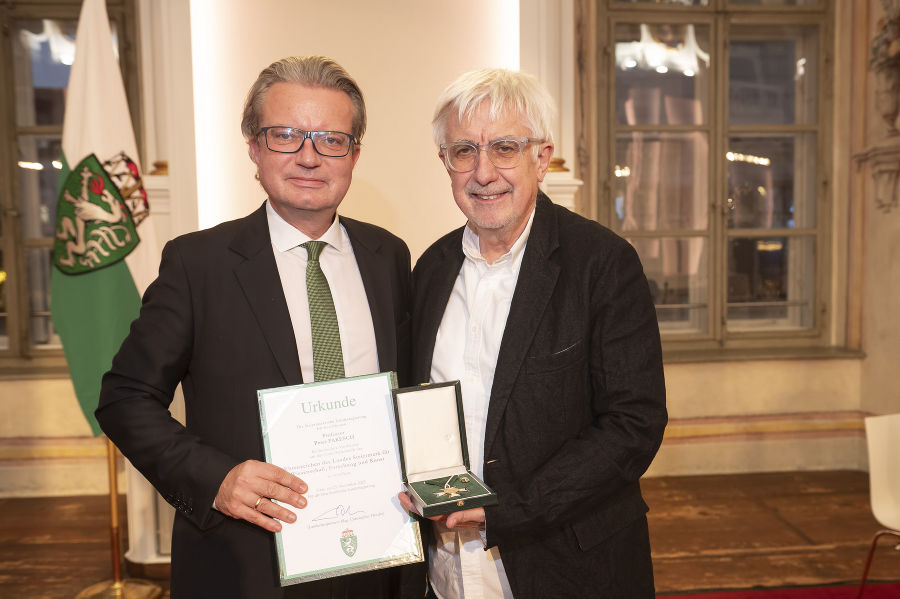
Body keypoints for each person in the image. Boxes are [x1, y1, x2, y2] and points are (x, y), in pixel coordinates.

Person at [97, 56, 412, 598]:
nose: (309, 156)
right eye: (285, 135)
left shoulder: (388, 255)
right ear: (254, 147)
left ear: (354, 154)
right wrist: (215, 479)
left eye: (331, 139)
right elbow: (125, 397)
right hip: (247, 561)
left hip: (377, 552)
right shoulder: (198, 265)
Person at [399, 68, 668, 598]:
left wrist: (507, 510)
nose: (483, 172)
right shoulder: (430, 269)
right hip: (447, 567)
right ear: (445, 164)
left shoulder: (602, 264)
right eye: (463, 151)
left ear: (541, 159)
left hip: (566, 565)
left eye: (504, 147)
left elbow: (634, 423)